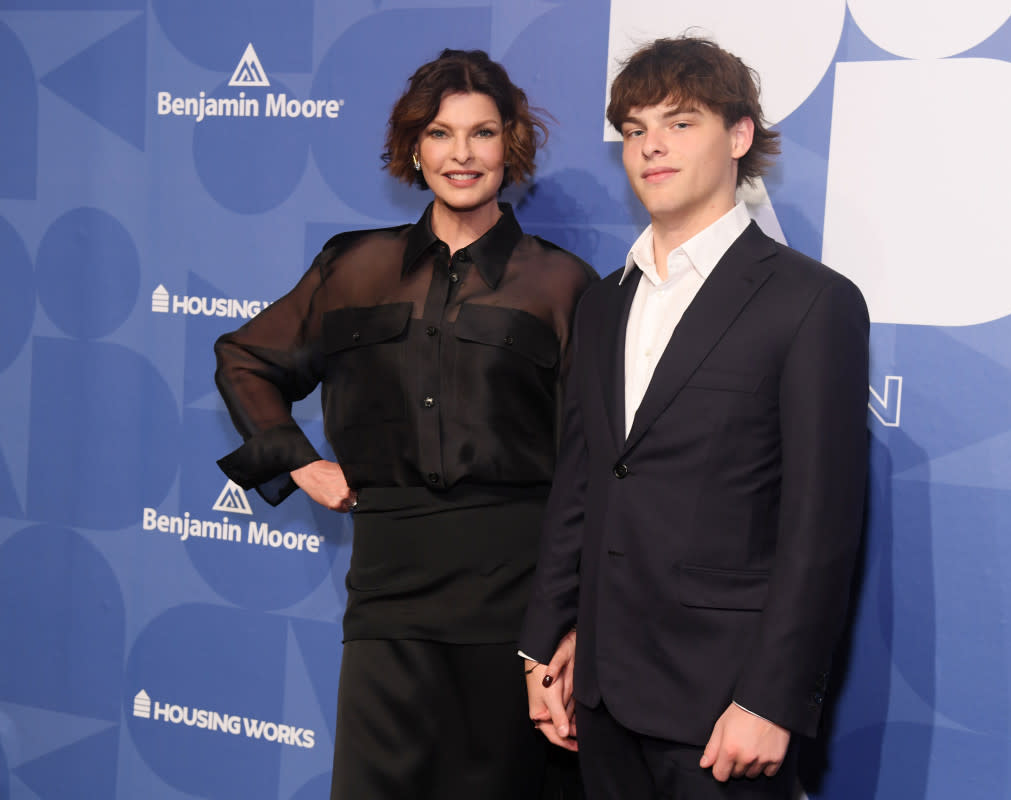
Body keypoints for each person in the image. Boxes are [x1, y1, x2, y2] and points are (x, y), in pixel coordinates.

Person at [213, 48, 596, 800]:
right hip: (387, 600)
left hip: (514, 610)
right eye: (441, 133)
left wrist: (570, 621)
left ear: (509, 146)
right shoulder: (353, 267)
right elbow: (245, 358)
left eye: (482, 134)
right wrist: (298, 460)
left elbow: (589, 461)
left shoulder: (562, 284)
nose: (461, 154)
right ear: (413, 148)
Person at [519, 35, 870, 799]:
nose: (652, 147)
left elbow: (820, 527)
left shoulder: (810, 302)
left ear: (739, 137)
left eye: (680, 123)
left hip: (723, 705)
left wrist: (770, 699)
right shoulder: (603, 302)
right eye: (636, 129)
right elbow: (582, 482)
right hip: (602, 696)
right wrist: (545, 643)